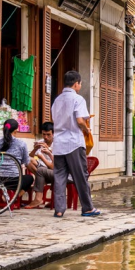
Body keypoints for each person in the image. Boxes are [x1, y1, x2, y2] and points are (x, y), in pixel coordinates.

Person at [52, 70, 100, 218]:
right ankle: (87, 208)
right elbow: (80, 120)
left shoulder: (57, 100)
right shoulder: (78, 99)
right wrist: (86, 129)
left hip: (59, 143)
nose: (80, 85)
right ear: (76, 84)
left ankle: (59, 210)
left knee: (59, 177)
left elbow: (55, 120)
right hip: (73, 142)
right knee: (80, 176)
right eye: (80, 83)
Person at [0, 119, 35, 194]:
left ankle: (2, 197)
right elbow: (26, 163)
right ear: (16, 131)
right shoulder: (21, 144)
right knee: (30, 178)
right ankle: (15, 198)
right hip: (14, 181)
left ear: (3, 129)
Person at [24, 122, 55, 209]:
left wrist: (48, 150)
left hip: (52, 170)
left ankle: (38, 198)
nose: (45, 137)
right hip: (42, 168)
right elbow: (29, 156)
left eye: (48, 134)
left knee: (41, 170)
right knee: (28, 160)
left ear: (53, 134)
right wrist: (35, 149)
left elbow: (53, 167)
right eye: (44, 134)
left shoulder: (58, 143)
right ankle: (42, 180)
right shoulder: (41, 141)